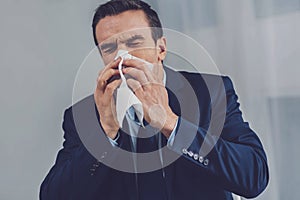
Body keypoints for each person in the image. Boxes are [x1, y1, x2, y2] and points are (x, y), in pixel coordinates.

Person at [40, 0, 269, 199]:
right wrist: (105, 132)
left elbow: (254, 176)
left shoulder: (210, 92)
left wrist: (172, 124)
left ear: (161, 48)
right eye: (109, 48)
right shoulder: (84, 114)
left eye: (134, 42)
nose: (122, 56)